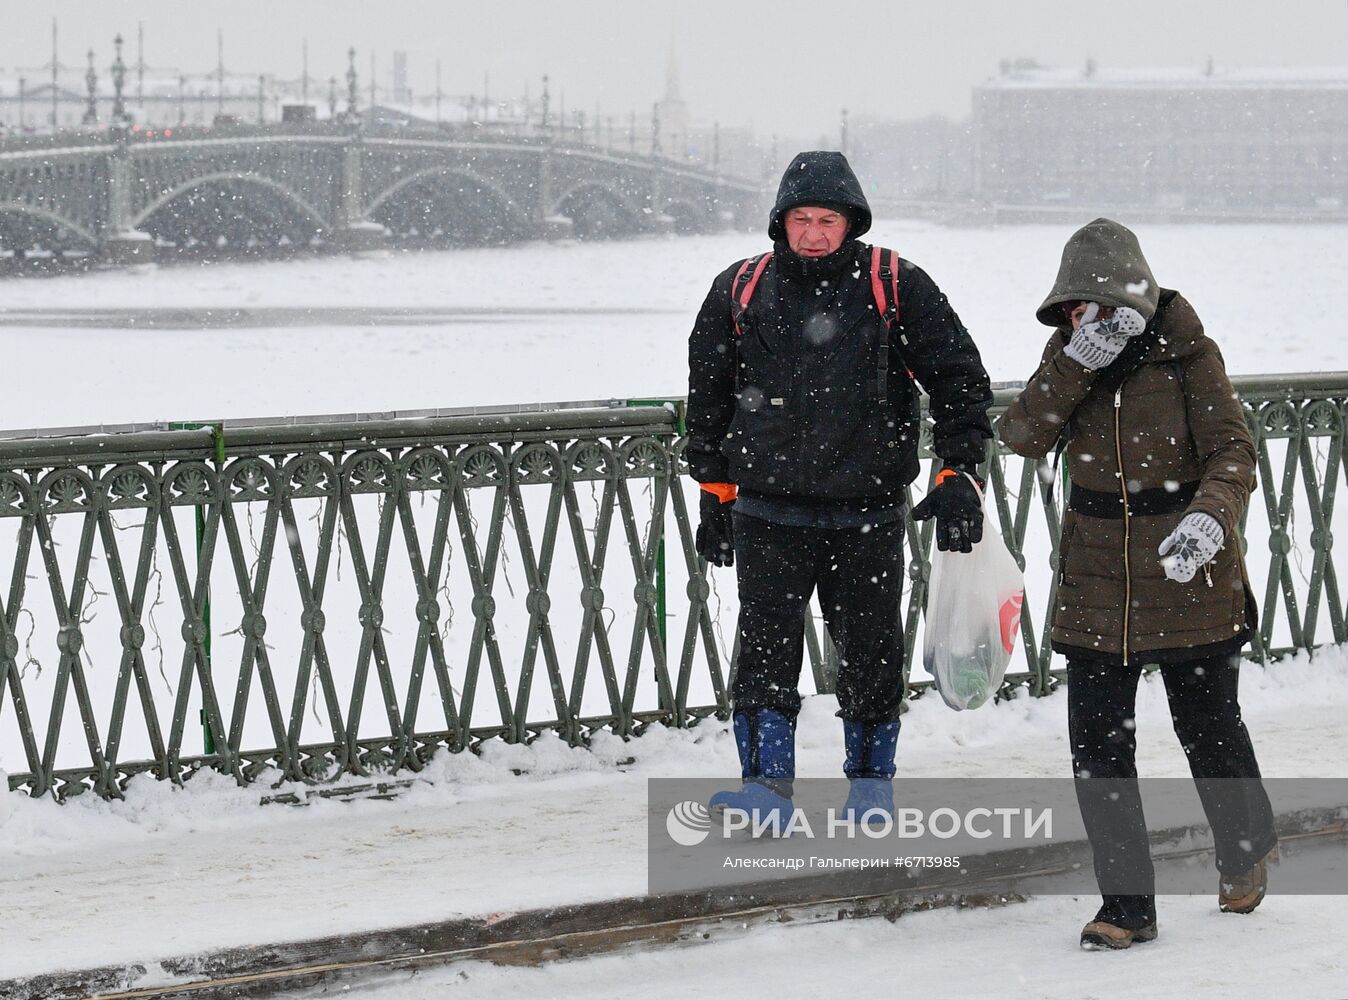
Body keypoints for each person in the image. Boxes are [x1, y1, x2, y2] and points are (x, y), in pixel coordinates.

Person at [685, 150, 994, 829]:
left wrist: (957, 470)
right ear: (780, 221)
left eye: (829, 219)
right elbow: (706, 400)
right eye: (803, 218)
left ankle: (871, 787)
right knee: (764, 651)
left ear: (851, 222)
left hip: (869, 511)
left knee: (872, 648)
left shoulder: (895, 284)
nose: (816, 233)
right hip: (767, 511)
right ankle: (767, 790)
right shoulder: (738, 290)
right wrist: (713, 490)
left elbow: (960, 381)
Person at [999, 218, 1278, 949]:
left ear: (1133, 299)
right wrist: (1074, 364)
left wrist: (1210, 519)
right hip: (1096, 574)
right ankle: (1126, 905)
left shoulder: (1190, 355)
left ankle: (1246, 847)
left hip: (1187, 565)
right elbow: (1022, 435)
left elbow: (1232, 451)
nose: (1080, 319)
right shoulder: (1069, 355)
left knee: (1209, 729)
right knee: (1098, 746)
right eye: (1070, 309)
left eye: (1092, 307)